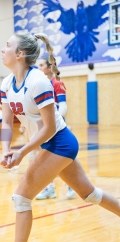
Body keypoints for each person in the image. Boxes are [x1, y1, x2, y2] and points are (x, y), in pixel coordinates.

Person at [0, 33, 120, 242]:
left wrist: (22, 153)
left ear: (20, 54)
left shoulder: (38, 81)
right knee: (90, 194)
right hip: (49, 144)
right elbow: (6, 122)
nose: (2, 49)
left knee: (21, 196)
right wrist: (6, 150)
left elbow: (50, 128)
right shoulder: (6, 83)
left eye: (7, 45)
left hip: (60, 143)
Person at [36, 56, 76, 199]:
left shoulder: (57, 83)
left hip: (57, 127)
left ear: (49, 67)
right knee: (48, 158)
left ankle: (72, 185)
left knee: (62, 158)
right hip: (47, 126)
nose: (38, 68)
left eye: (41, 65)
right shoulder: (42, 83)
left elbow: (63, 106)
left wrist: (53, 120)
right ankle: (50, 188)